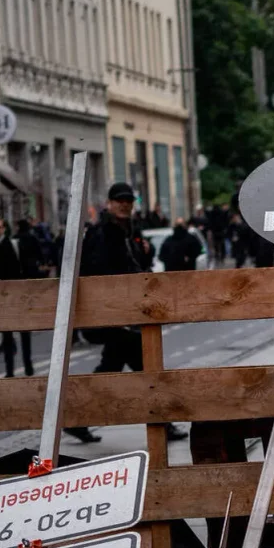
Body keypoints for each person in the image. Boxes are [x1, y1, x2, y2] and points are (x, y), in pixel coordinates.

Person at [76, 182, 188, 443]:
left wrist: (144, 252)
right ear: (110, 203)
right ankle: (163, 423)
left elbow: (137, 265)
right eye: (119, 200)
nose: (124, 205)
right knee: (146, 368)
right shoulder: (101, 232)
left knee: (112, 370)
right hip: (116, 313)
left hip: (132, 312)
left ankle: (76, 417)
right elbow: (95, 269)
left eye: (128, 200)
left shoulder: (132, 230)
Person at [0, 217, 35, 378]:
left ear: (4, 228)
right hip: (0, 297)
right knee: (6, 334)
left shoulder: (14, 245)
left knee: (25, 331)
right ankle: (10, 370)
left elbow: (24, 267)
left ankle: (28, 365)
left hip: (17, 294)